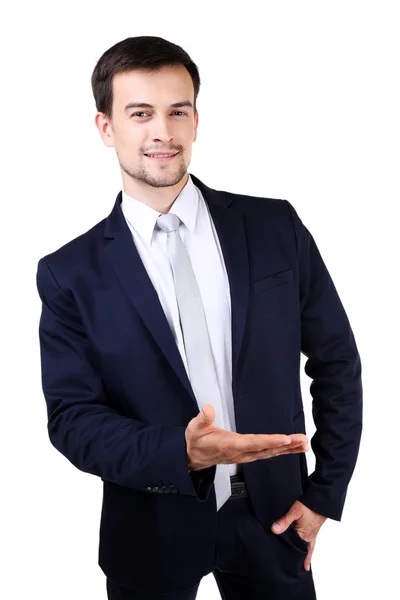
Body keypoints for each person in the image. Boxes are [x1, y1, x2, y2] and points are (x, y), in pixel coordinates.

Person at [36, 36, 363, 600]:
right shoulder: (70, 272)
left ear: (195, 120)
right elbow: (71, 419)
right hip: (150, 528)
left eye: (176, 111)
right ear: (106, 127)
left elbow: (337, 362)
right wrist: (179, 451)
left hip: (276, 517)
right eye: (140, 114)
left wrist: (324, 496)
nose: (161, 131)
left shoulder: (273, 227)